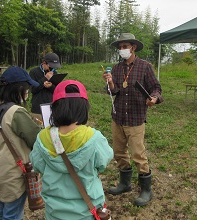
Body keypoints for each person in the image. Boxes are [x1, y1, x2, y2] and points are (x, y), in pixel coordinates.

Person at [30, 80, 114, 220]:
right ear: (84, 107)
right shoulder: (94, 138)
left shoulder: (43, 138)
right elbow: (102, 163)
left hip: (55, 213)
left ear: (55, 108)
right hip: (87, 212)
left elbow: (37, 165)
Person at [102, 33, 164, 206]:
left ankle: (146, 189)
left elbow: (156, 88)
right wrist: (110, 84)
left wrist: (153, 98)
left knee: (138, 154)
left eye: (125, 46)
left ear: (133, 47)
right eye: (120, 47)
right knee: (119, 152)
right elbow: (111, 92)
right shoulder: (115, 69)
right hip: (118, 117)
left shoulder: (145, 67)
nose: (122, 50)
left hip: (136, 118)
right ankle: (125, 183)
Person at [0, 66, 42, 220]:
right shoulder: (16, 112)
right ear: (18, 89)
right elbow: (35, 138)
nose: (28, 92)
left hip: (1, 169)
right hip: (16, 172)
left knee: (0, 206)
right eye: (27, 88)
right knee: (13, 213)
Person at [29, 52, 61, 121]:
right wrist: (44, 79)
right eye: (50, 66)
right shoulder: (34, 72)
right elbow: (33, 89)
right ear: (44, 63)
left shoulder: (54, 73)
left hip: (51, 107)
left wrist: (51, 86)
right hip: (37, 109)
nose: (52, 68)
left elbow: (56, 91)